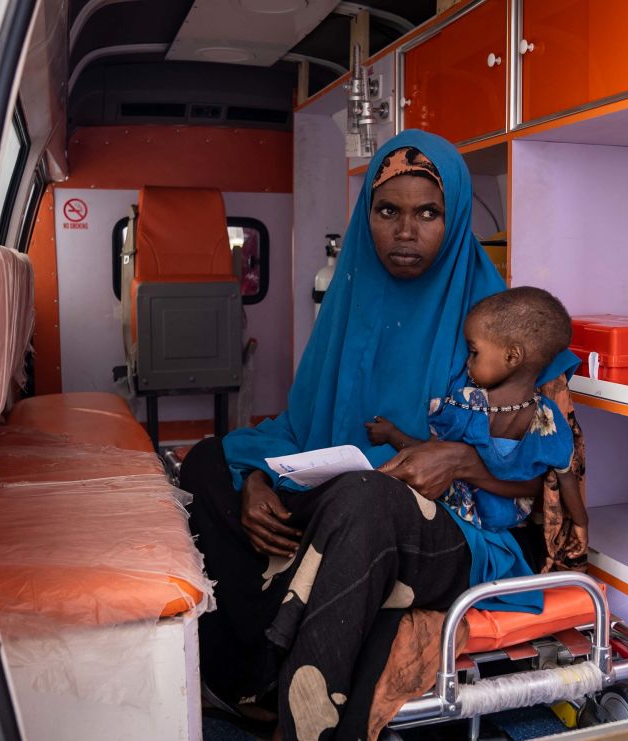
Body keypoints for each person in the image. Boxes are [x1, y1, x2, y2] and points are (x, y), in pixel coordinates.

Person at [180, 130, 586, 741]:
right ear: (365, 214)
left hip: (457, 528)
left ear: (452, 221)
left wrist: (460, 461)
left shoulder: (496, 320)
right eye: (388, 210)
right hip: (343, 490)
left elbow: (550, 474)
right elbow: (303, 426)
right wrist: (259, 476)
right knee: (210, 460)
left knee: (364, 502)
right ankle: (251, 676)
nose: (405, 231)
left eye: (428, 213)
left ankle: (302, 718)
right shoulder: (351, 301)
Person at [365, 286, 588, 545]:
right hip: (510, 529)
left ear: (512, 356)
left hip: (454, 523)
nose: (467, 362)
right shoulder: (550, 420)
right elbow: (566, 478)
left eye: (474, 352)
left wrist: (393, 435)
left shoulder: (468, 404)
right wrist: (582, 524)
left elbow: (429, 454)